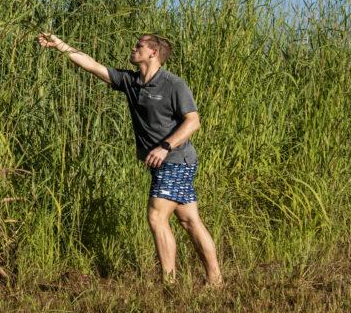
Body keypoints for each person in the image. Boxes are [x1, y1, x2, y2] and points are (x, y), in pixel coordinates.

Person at [36, 31, 223, 287]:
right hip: (166, 163)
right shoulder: (131, 82)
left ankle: (169, 284)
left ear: (153, 53)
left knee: (157, 218)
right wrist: (59, 45)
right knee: (189, 220)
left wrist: (165, 147)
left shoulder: (173, 84)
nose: (133, 48)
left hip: (177, 159)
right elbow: (92, 65)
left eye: (139, 46)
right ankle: (215, 280)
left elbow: (193, 121)